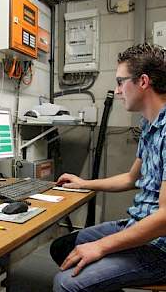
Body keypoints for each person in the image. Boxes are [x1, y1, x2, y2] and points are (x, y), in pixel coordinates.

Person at [52, 43, 166, 292]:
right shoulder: (149, 124)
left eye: (120, 82)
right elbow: (130, 178)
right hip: (138, 223)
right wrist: (83, 183)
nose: (117, 91)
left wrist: (101, 246)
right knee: (61, 247)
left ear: (143, 81)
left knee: (65, 285)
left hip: (160, 246)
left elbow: (165, 218)